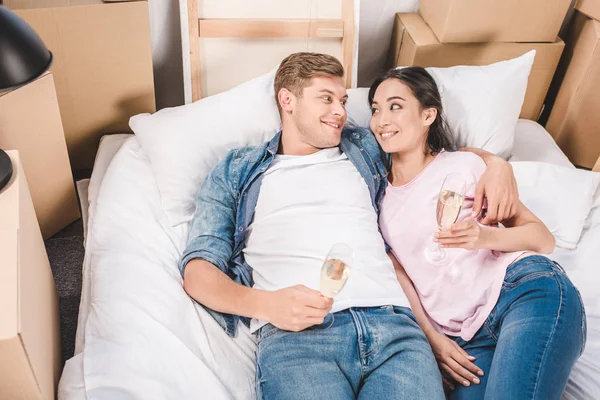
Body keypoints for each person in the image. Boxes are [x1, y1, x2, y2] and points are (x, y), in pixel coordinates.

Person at [179, 52, 518, 399]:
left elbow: (438, 153)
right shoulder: (237, 169)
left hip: (396, 330)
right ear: (287, 100)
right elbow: (198, 271)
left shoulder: (366, 147)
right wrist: (264, 304)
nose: (341, 111)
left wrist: (495, 164)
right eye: (326, 99)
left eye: (342, 100)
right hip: (301, 339)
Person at [370, 66, 587, 400]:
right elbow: (400, 276)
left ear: (428, 115)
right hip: (466, 337)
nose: (382, 119)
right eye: (375, 109)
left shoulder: (464, 165)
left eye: (395, 106)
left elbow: (542, 238)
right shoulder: (379, 199)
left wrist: (485, 238)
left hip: (524, 293)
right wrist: (433, 339)